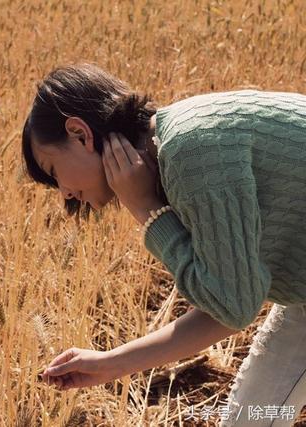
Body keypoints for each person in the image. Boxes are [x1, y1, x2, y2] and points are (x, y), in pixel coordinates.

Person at [21, 62, 306, 427]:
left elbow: (232, 306)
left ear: (79, 134)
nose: (64, 193)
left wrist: (147, 210)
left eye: (53, 171)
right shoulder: (179, 151)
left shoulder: (192, 154)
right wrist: (111, 364)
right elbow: (231, 304)